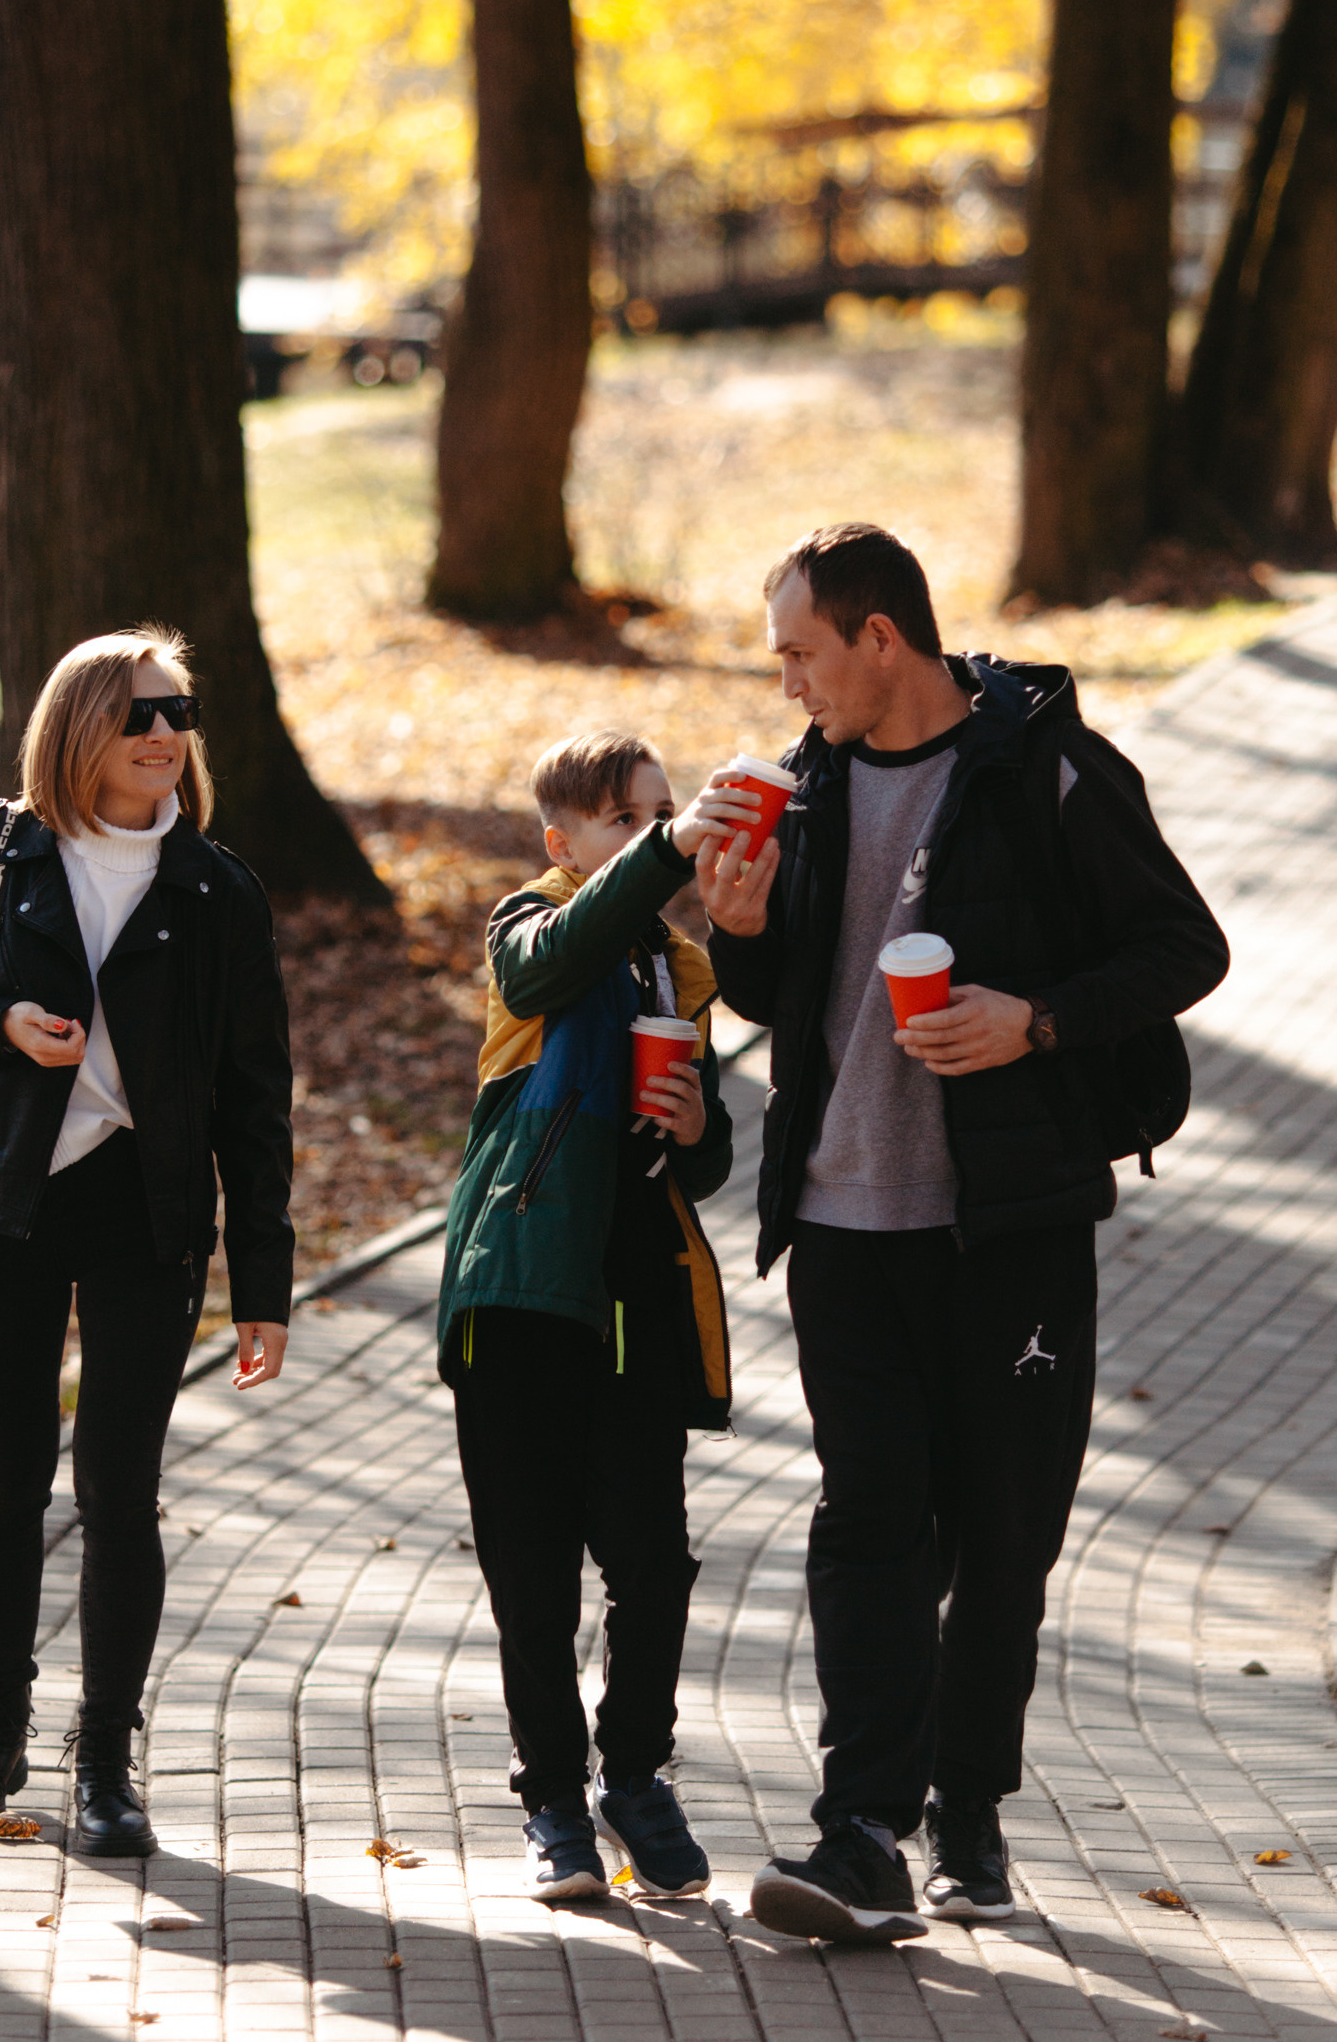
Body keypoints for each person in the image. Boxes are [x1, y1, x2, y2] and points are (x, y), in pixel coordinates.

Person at [698, 524, 1228, 1941]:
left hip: (1011, 1227)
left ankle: (969, 1814)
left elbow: (1187, 947)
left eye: (804, 655)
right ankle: (860, 1829)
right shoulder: (799, 790)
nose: (790, 685)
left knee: (1001, 1536)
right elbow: (774, 990)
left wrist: (1034, 1020)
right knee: (869, 1521)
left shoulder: (1042, 767)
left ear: (884, 640)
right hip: (840, 1220)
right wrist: (740, 929)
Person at [0, 628, 294, 1858]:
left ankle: (104, 1762)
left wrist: (260, 1283)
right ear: (82, 726)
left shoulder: (217, 891)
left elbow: (253, 1098)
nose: (166, 735)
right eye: (141, 713)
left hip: (145, 1220)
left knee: (122, 1495)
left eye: (181, 713)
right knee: (6, 1484)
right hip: (2, 1204)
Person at [437, 729, 753, 1901]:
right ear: (565, 841)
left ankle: (634, 1773)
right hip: (519, 1289)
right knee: (532, 1569)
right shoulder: (530, 922)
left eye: (663, 815)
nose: (655, 836)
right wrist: (665, 854)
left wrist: (692, 1127)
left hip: (636, 1300)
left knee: (653, 1563)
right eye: (630, 820)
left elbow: (705, 1156)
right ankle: (553, 1802)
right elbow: (541, 973)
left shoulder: (677, 972)